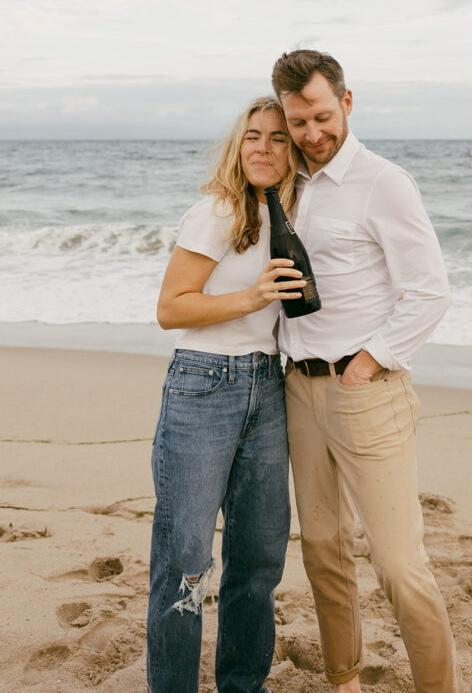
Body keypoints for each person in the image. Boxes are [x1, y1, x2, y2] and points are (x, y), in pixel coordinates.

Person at [271, 50, 463, 693]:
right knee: (323, 550)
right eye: (298, 122)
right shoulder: (285, 184)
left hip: (366, 395)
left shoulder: (385, 182)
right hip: (296, 390)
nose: (313, 134)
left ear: (347, 103)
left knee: (398, 563)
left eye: (322, 116)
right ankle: (344, 680)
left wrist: (369, 360)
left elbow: (430, 290)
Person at [146, 95, 305, 693]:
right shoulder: (215, 211)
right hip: (203, 384)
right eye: (253, 136)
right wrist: (252, 297)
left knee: (259, 560)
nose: (264, 148)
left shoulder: (283, 212)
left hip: (268, 388)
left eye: (279, 138)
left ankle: (243, 684)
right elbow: (170, 308)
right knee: (185, 563)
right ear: (237, 146)